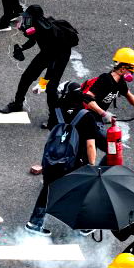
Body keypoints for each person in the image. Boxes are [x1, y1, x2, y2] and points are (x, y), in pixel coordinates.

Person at [25, 82, 100, 235]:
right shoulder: (87, 117)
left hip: (53, 158)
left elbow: (54, 132)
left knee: (47, 189)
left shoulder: (56, 110)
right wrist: (92, 165)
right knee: (82, 190)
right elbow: (90, 146)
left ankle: (34, 223)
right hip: (75, 163)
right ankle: (83, 225)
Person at [0, 5, 77, 127]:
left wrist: (42, 84)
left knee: (51, 88)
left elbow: (52, 65)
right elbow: (33, 40)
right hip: (46, 53)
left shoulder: (48, 32)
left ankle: (54, 119)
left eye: (28, 17)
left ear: (34, 18)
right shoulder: (36, 26)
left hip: (59, 55)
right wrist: (22, 48)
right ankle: (17, 104)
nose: (26, 20)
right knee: (26, 77)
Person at [83, 48, 134, 127]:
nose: (133, 71)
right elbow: (87, 98)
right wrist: (104, 114)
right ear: (123, 68)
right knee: (100, 137)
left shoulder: (120, 82)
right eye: (132, 68)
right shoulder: (105, 79)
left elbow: (129, 95)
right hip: (85, 115)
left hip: (96, 116)